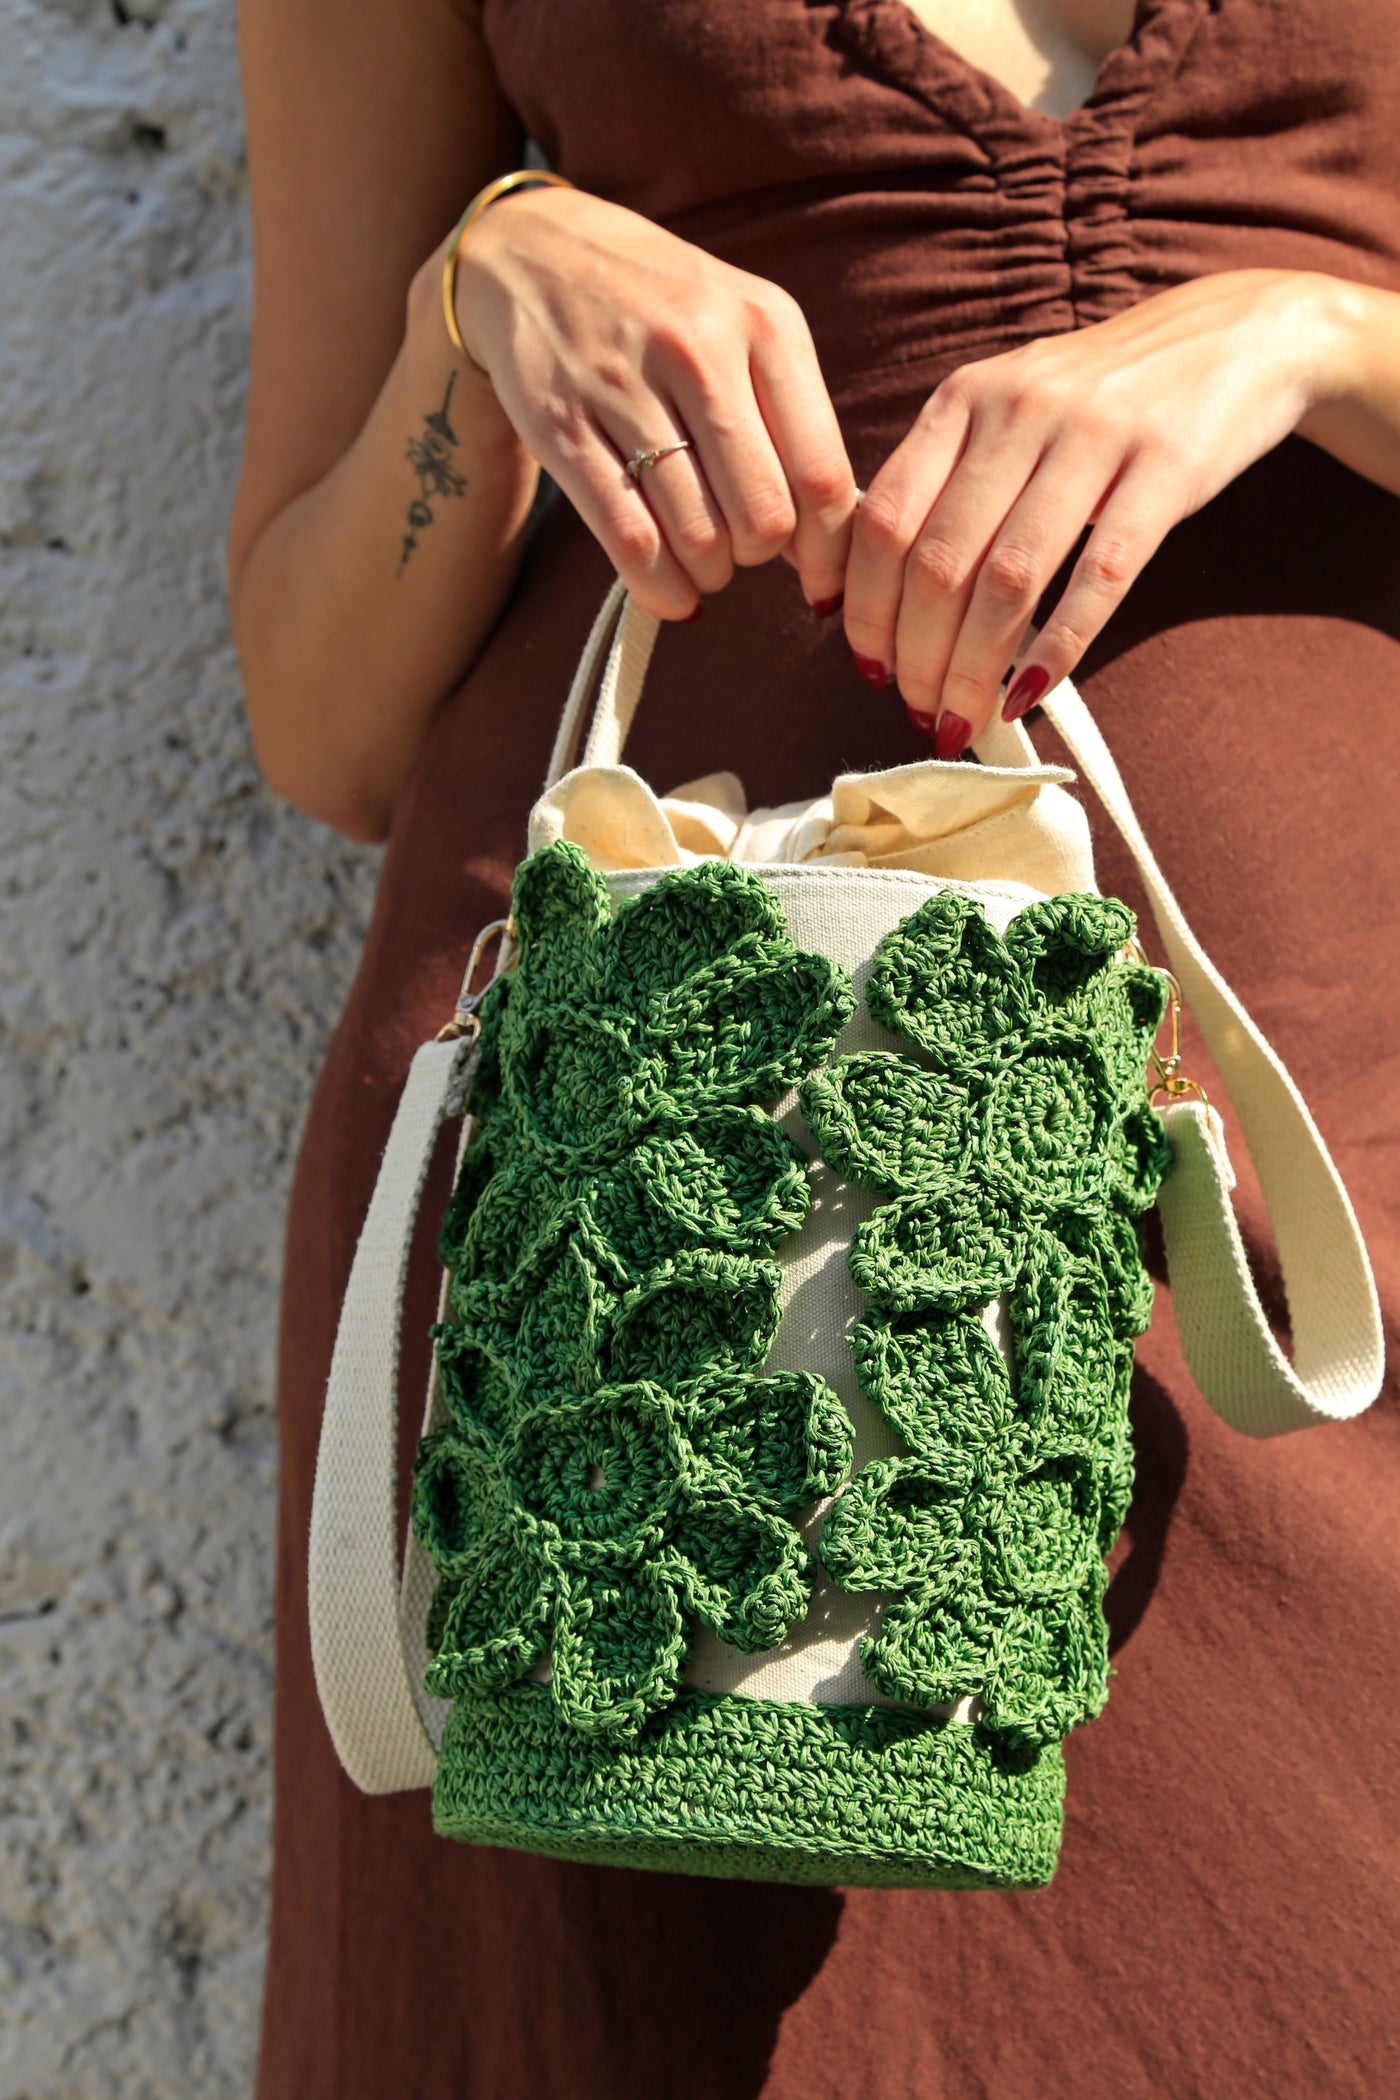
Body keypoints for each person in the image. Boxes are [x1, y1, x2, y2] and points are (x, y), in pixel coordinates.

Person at [228, 3, 1400, 2094]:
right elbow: (325, 727)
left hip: (1316, 1174)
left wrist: (1307, 336)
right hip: (638, 1242)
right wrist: (476, 293)